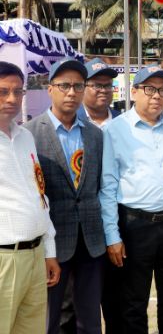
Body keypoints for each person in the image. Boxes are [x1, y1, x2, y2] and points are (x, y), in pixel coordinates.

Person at [98, 67, 163, 333]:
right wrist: (112, 236)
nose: (157, 96)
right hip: (134, 226)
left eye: (162, 90)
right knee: (133, 301)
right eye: (149, 89)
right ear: (134, 92)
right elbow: (107, 187)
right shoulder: (115, 130)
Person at [26, 59, 106, 334]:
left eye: (77, 86)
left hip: (92, 241)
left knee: (90, 321)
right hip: (52, 243)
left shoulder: (95, 135)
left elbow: (98, 187)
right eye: (64, 86)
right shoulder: (30, 134)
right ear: (50, 90)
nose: (71, 92)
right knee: (49, 320)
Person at [60, 58, 122, 334]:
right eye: (96, 84)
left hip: (118, 227)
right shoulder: (73, 122)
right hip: (76, 234)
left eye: (108, 85)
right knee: (71, 306)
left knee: (116, 299)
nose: (103, 90)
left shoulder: (124, 124)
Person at [0, 61, 60, 334]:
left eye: (17, 92)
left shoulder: (25, 136)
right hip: (4, 259)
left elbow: (40, 195)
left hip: (35, 255)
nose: (12, 99)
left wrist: (49, 251)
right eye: (3, 92)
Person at [77, 58, 120, 128]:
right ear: (82, 87)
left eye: (108, 85)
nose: (104, 90)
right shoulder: (71, 121)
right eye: (97, 86)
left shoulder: (122, 122)